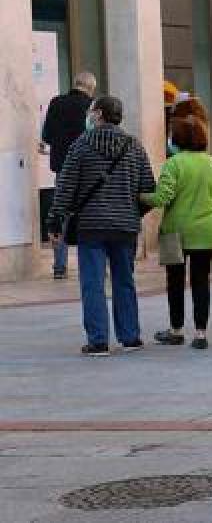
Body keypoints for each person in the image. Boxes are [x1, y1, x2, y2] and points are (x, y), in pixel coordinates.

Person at [47, 96, 156, 356]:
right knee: (124, 281)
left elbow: (66, 187)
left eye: (91, 111)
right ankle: (130, 337)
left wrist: (55, 219)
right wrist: (131, 212)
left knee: (92, 284)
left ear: (99, 115)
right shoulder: (134, 146)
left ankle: (98, 341)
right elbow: (149, 189)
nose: (89, 115)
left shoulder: (82, 145)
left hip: (91, 226)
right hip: (125, 227)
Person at [142, 116, 212, 350]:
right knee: (201, 281)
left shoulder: (174, 163)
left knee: (175, 281)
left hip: (175, 233)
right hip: (206, 232)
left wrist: (139, 196)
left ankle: (176, 330)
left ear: (177, 139)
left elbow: (162, 197)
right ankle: (201, 334)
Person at [40, 72, 97, 279]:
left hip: (62, 168)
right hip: (87, 170)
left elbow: (46, 135)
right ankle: (94, 265)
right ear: (91, 88)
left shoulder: (56, 103)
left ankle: (59, 267)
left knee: (60, 214)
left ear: (75, 84)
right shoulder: (93, 106)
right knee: (90, 215)